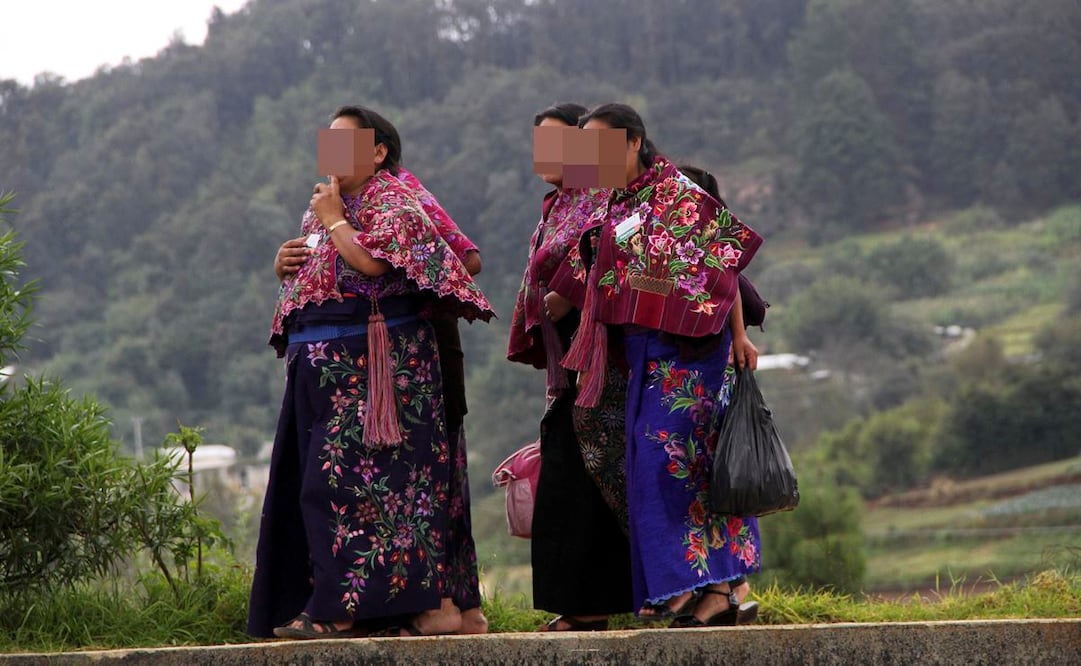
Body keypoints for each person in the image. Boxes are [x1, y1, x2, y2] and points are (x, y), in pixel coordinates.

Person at [249, 105, 493, 639]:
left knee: (355, 489)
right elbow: (323, 262)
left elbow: (375, 265)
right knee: (320, 486)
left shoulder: (397, 201)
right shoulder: (322, 207)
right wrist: (285, 262)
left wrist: (336, 220)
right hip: (321, 371)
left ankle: (344, 610)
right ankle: (360, 608)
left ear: (378, 151)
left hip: (376, 371)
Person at [548, 103, 763, 627]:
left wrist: (737, 335)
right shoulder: (617, 207)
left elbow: (722, 268)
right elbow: (605, 272)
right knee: (662, 471)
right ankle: (705, 591)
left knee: (679, 468)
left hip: (693, 356)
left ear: (631, 142)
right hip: (642, 355)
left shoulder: (676, 195)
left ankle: (713, 591)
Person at [506, 102, 633, 632]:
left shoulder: (603, 197)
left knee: (596, 481)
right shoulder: (557, 205)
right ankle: (586, 606)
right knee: (568, 481)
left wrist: (569, 292)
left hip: (606, 359)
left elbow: (617, 250)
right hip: (571, 365)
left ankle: (594, 607)